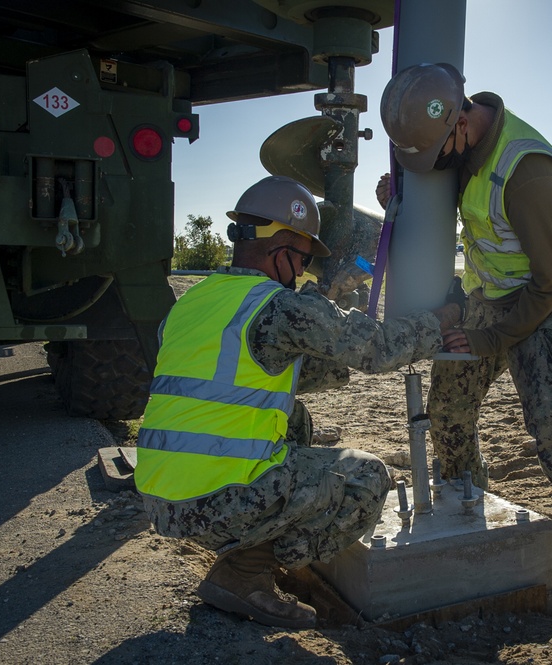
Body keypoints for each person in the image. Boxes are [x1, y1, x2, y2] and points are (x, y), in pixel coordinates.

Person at [379, 63, 552, 620]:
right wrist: (402, 196)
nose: (437, 167)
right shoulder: (460, 145)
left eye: (435, 155)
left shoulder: (524, 169)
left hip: (550, 299)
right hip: (493, 295)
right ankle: (468, 508)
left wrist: (492, 338)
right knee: (448, 409)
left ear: (460, 123)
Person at [135, 176, 461, 629]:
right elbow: (380, 349)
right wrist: (440, 321)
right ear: (282, 247)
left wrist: (331, 316)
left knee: (293, 418)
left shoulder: (192, 303)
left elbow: (267, 373)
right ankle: (247, 570)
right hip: (216, 502)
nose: (305, 272)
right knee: (367, 476)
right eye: (304, 259)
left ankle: (248, 553)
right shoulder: (278, 306)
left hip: (160, 496)